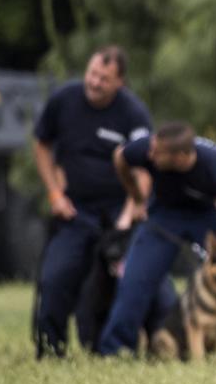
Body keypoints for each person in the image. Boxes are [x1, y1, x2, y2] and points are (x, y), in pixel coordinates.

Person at [95, 122, 216, 357]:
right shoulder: (148, 148)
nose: (150, 155)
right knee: (134, 279)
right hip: (164, 215)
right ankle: (116, 349)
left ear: (181, 156)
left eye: (157, 153)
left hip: (208, 217)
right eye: (151, 149)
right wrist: (136, 196)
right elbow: (121, 157)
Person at [31, 45, 154, 358]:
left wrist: (129, 214)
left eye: (104, 78)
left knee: (149, 282)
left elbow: (144, 169)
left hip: (118, 212)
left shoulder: (133, 113)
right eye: (92, 73)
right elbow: (41, 143)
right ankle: (50, 349)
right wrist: (54, 193)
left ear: (120, 83)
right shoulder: (64, 100)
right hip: (75, 210)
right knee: (56, 276)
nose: (95, 82)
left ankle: (136, 349)